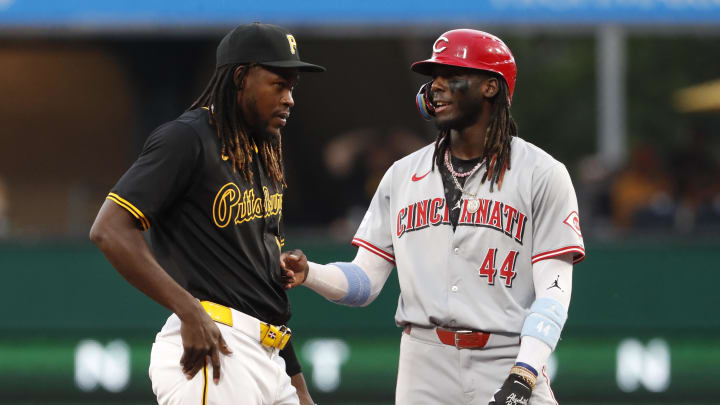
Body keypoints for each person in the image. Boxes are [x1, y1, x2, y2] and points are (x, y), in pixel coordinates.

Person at [282, 29, 585, 404]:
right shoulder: (401, 174)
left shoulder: (542, 174)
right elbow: (364, 283)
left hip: (507, 353)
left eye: (451, 76)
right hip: (423, 361)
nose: (435, 87)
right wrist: (310, 272)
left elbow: (554, 293)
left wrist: (524, 374)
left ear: (491, 87)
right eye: (432, 78)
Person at [90, 22, 324, 405]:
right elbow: (109, 229)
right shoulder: (187, 138)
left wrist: (296, 381)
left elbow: (262, 286)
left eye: (292, 87)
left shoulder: (263, 153)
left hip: (268, 354)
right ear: (241, 78)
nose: (289, 98)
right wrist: (188, 310)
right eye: (279, 84)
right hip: (216, 348)